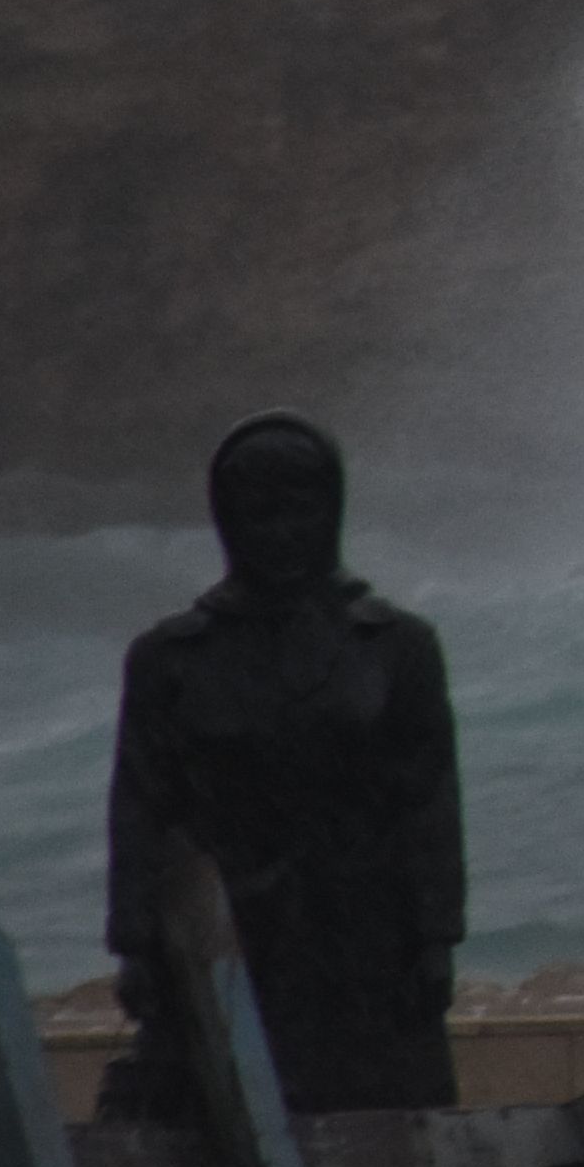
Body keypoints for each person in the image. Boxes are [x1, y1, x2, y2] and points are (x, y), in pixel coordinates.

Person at [100, 414, 466, 1117]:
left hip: (366, 943)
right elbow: (142, 807)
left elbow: (429, 802)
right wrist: (136, 944)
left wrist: (436, 938)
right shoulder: (172, 659)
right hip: (232, 938)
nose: (280, 532)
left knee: (392, 1135)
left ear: (331, 513)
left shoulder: (397, 648)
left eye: (300, 511)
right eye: (258, 514)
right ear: (227, 520)